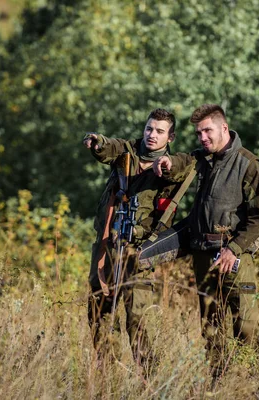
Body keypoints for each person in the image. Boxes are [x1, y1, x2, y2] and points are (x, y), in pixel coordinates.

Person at [152, 104, 259, 375]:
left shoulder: (248, 164)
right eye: (198, 133)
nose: (203, 137)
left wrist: (234, 249)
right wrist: (169, 162)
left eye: (208, 131)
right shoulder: (202, 159)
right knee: (211, 327)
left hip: (236, 258)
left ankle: (258, 383)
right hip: (203, 256)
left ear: (224, 128)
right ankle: (219, 381)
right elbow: (183, 161)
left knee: (245, 325)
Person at [83, 108, 181, 367]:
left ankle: (149, 379)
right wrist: (97, 142)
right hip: (108, 248)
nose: (152, 135)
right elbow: (108, 148)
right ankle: (107, 373)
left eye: (160, 131)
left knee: (138, 318)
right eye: (149, 128)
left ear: (170, 138)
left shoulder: (171, 170)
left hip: (139, 253)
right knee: (100, 312)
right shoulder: (127, 151)